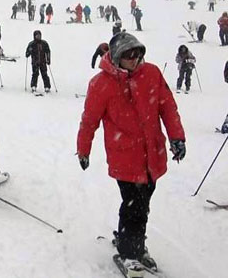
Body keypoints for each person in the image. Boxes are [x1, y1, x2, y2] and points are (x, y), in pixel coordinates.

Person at [77, 32, 186, 276]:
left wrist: (177, 137)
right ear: (116, 56)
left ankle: (136, 244)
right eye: (128, 54)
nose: (134, 59)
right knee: (133, 204)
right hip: (125, 156)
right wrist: (83, 149)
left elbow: (168, 107)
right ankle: (129, 252)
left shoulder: (152, 74)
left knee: (143, 202)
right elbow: (89, 120)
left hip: (152, 154)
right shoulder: (101, 84)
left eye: (138, 53)